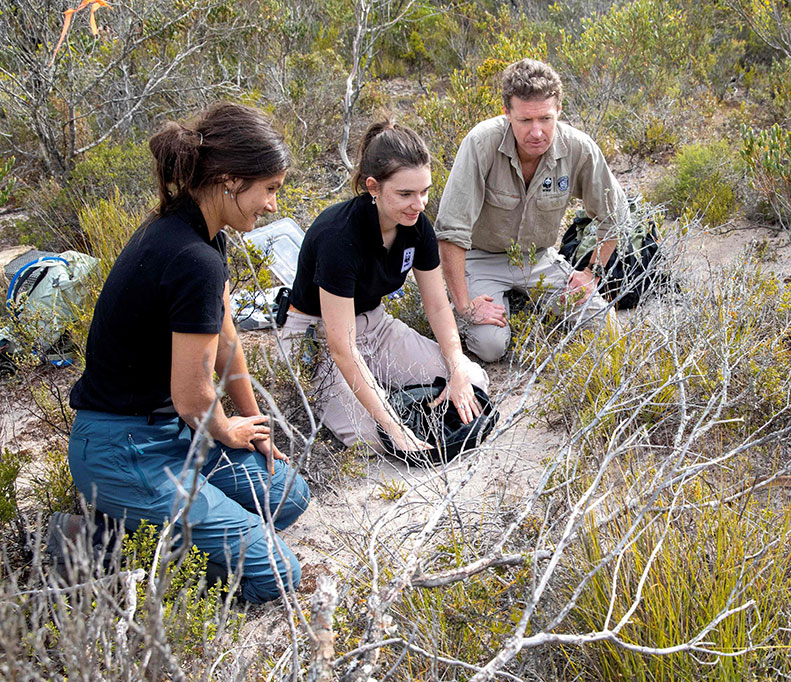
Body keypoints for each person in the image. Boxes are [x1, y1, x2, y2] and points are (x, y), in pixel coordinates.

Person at [65, 102, 309, 604]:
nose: (272, 205)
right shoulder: (190, 257)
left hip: (173, 436)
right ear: (229, 181)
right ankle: (101, 545)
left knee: (289, 495)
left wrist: (254, 425)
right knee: (277, 574)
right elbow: (194, 399)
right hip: (124, 449)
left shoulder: (201, 233)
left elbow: (225, 341)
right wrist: (224, 428)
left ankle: (168, 525)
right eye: (269, 190)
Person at [281, 122, 488, 453]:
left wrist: (457, 364)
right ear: (373, 187)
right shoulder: (339, 236)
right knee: (372, 436)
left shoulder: (417, 226)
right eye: (405, 194)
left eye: (424, 191)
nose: (418, 204)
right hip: (317, 338)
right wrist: (394, 426)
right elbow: (341, 347)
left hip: (375, 327)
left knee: (473, 380)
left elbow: (437, 306)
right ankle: (381, 403)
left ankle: (386, 395)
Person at [434, 58, 631, 362]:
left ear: (559, 113)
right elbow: (450, 230)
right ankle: (467, 307)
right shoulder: (480, 143)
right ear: (507, 114)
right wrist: (464, 305)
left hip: (539, 258)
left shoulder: (578, 148)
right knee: (490, 347)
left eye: (546, 119)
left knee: (608, 331)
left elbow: (615, 214)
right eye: (526, 121)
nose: (537, 132)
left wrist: (592, 273)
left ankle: (519, 302)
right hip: (481, 257)